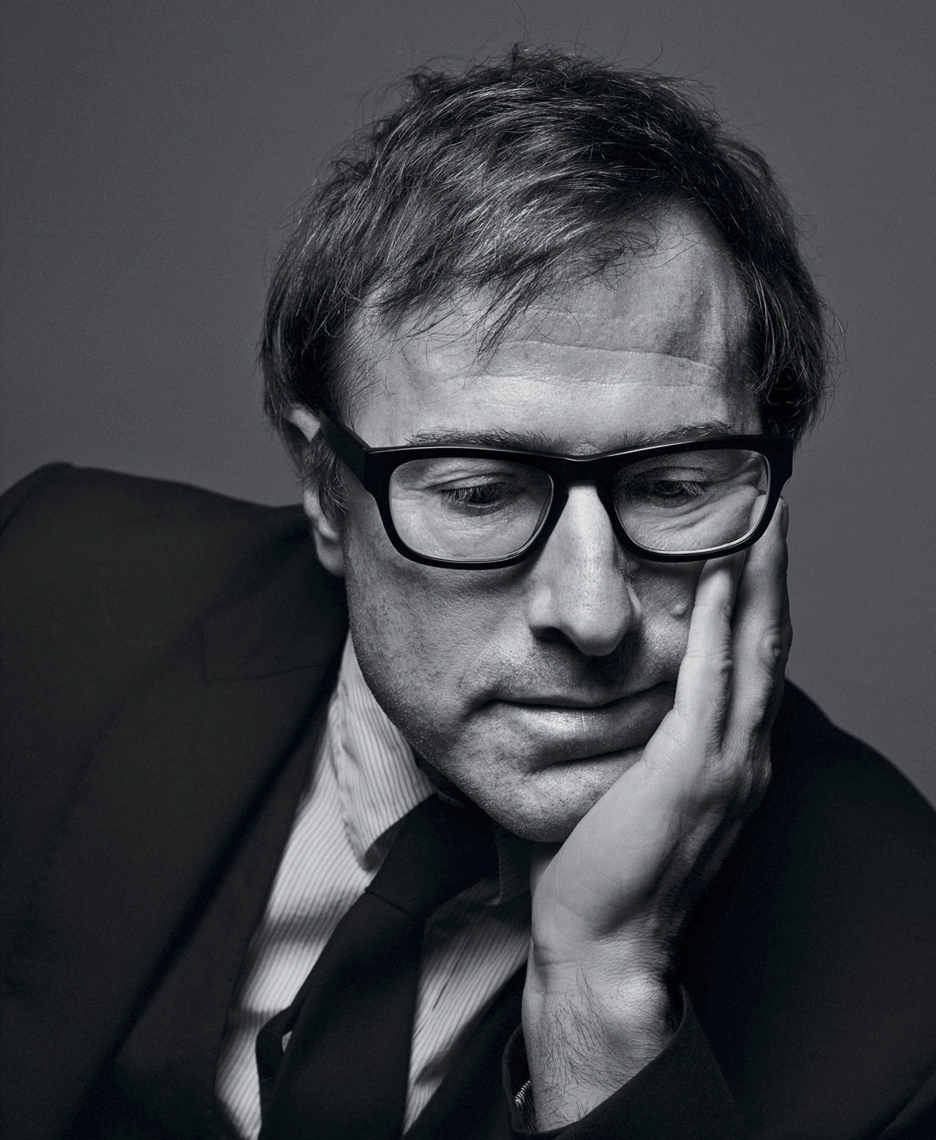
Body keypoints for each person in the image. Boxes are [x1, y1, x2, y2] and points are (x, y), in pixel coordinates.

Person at [1, 47, 934, 1140]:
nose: (592, 615)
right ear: (326, 491)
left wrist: (601, 992)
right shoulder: (43, 594)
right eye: (481, 493)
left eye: (676, 486)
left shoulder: (906, 982)